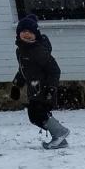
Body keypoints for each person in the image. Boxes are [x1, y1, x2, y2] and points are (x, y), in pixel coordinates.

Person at [9, 15, 70, 150]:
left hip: (45, 88)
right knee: (34, 116)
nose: (27, 34)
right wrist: (16, 85)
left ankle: (60, 132)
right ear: (18, 33)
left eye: (30, 32)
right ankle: (60, 139)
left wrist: (51, 89)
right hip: (34, 88)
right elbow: (23, 70)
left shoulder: (38, 51)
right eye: (23, 31)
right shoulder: (21, 50)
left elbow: (55, 70)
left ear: (35, 34)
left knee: (38, 113)